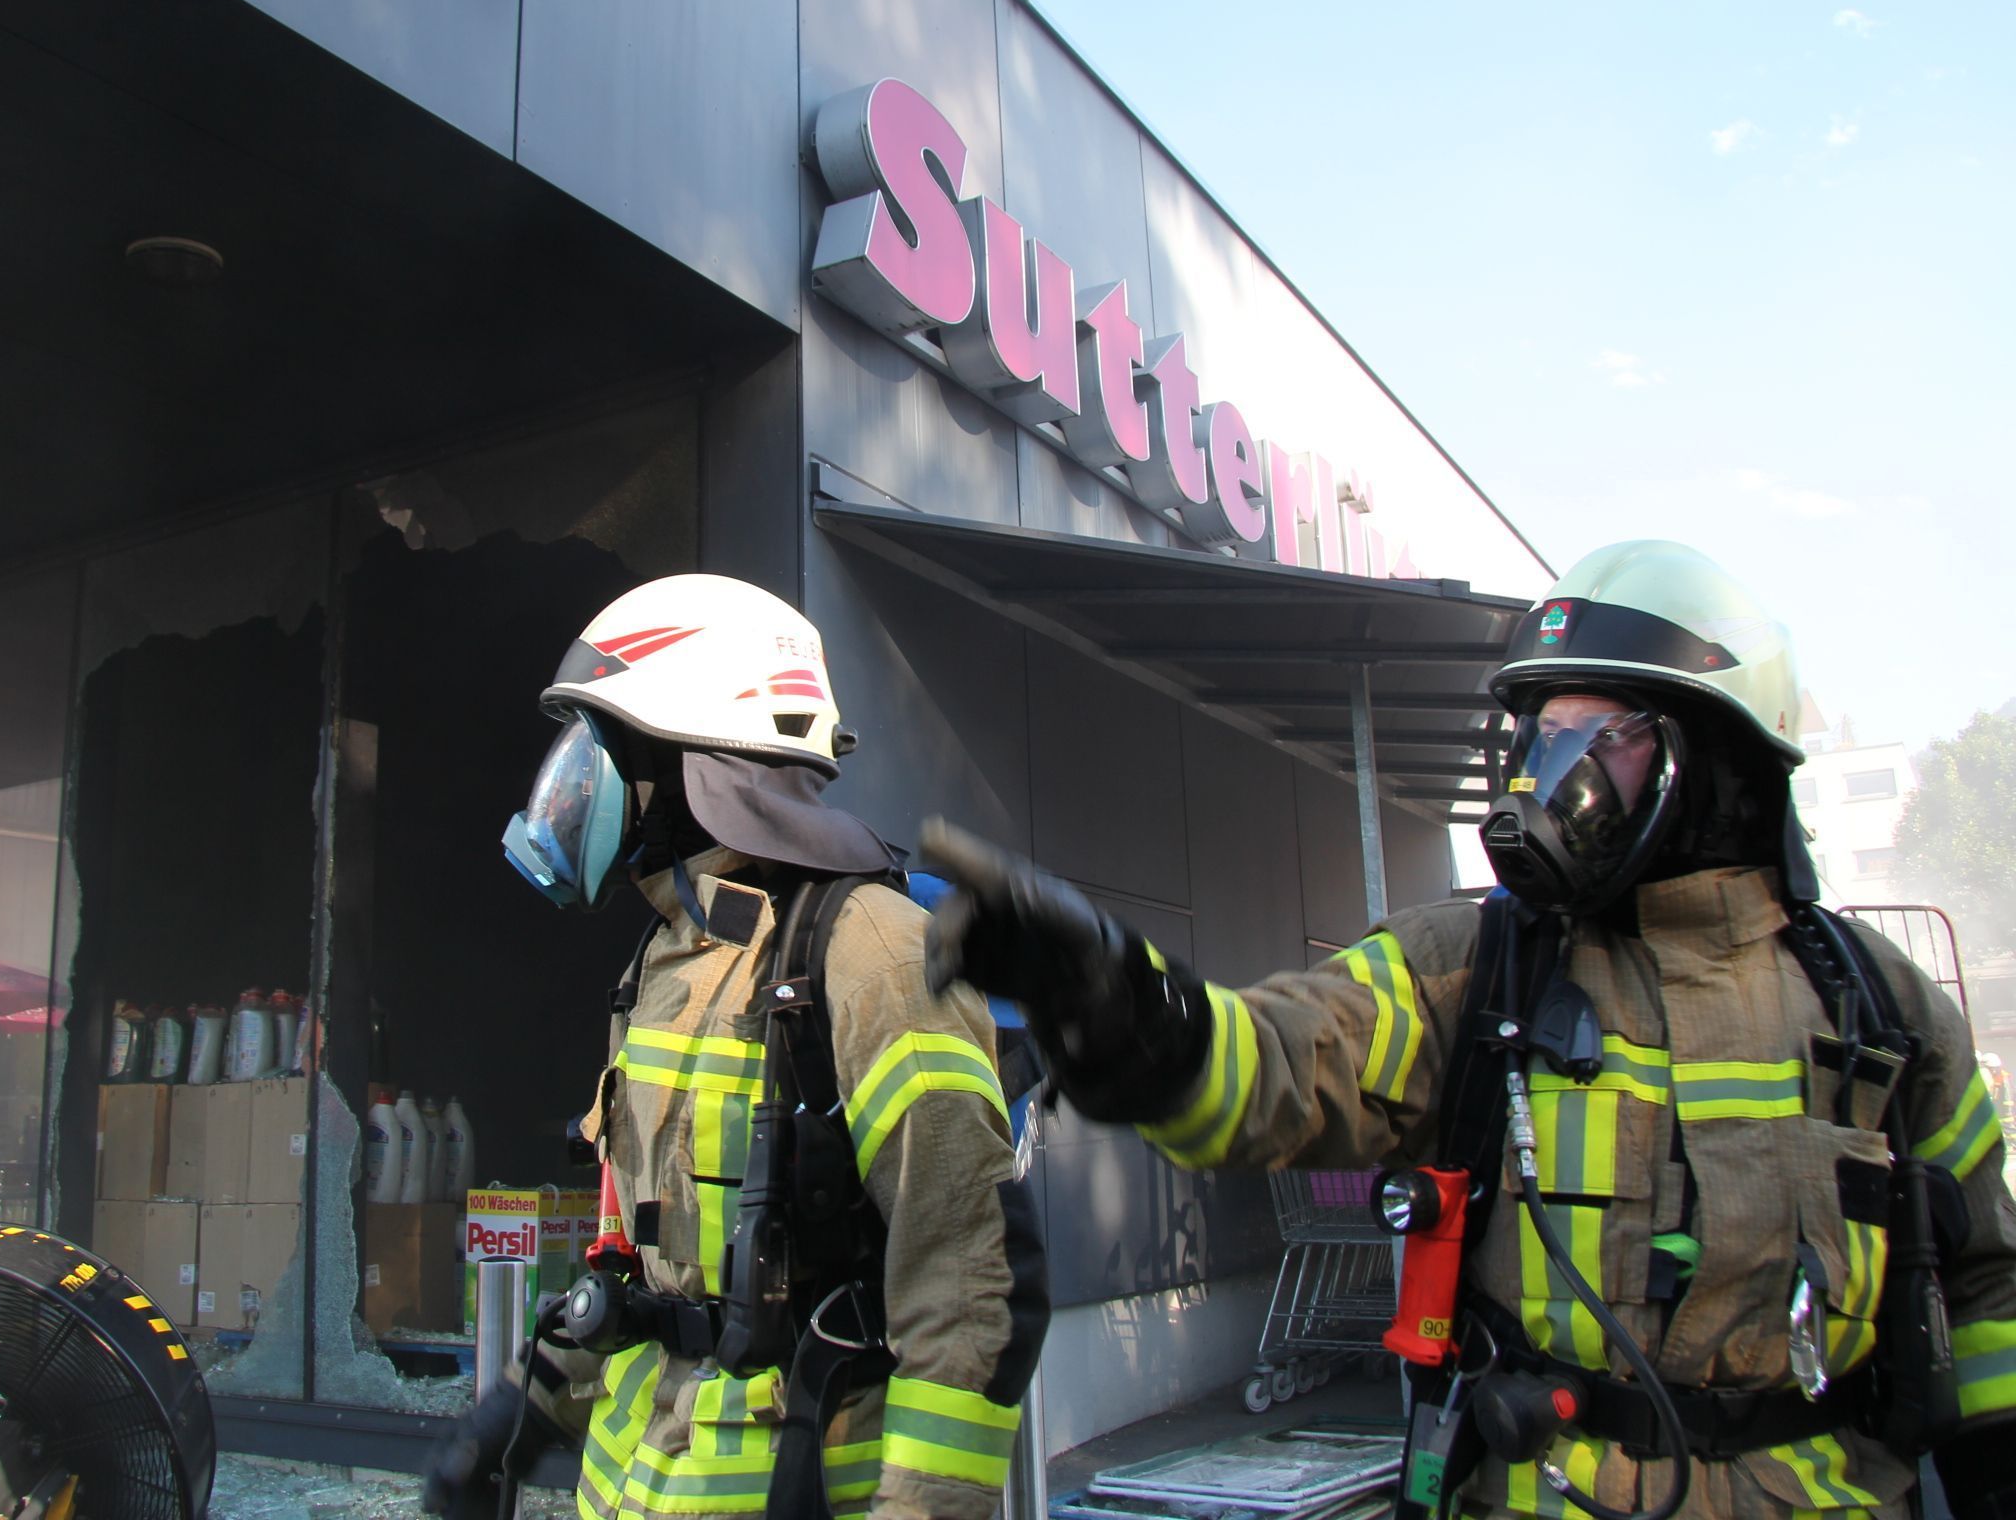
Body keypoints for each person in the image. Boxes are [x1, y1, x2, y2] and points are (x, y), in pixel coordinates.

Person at [918, 540, 2016, 1520]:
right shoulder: (1473, 965)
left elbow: (1987, 1288)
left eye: (1599, 734)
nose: (1549, 771)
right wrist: (1121, 1009)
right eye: (1540, 731)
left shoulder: (1878, 1007)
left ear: (1720, 761)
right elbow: (1277, 1065)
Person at [424, 573, 1047, 1520]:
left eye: (608, 747)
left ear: (692, 759)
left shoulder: (872, 951)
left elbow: (972, 1279)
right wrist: (522, 1412)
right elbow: (639, 1268)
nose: (579, 780)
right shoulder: (667, 958)